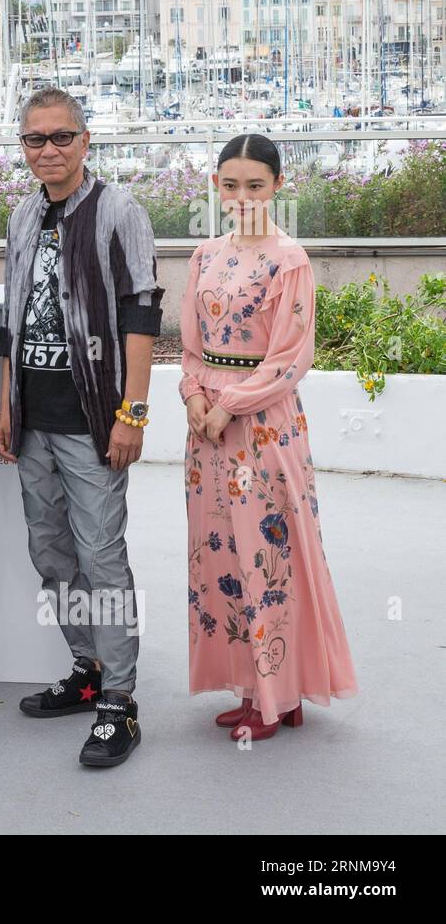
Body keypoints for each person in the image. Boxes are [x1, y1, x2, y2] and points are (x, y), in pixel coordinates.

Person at [0, 86, 163, 768]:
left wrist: (134, 411)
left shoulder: (120, 211)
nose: (49, 150)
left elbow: (142, 314)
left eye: (62, 137)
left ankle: (119, 699)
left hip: (95, 418)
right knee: (52, 555)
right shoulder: (22, 214)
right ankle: (86, 664)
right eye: (36, 139)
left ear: (85, 141)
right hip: (34, 417)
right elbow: (12, 319)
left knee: (101, 557)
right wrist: (7, 402)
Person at [180, 133, 357, 739]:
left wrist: (226, 404)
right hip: (207, 436)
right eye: (230, 184)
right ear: (216, 186)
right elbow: (191, 346)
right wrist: (196, 397)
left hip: (264, 430)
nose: (242, 195)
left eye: (255, 184)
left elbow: (289, 359)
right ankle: (257, 688)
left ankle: (278, 697)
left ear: (279, 185)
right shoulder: (204, 255)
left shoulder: (291, 260)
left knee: (270, 557)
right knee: (221, 556)